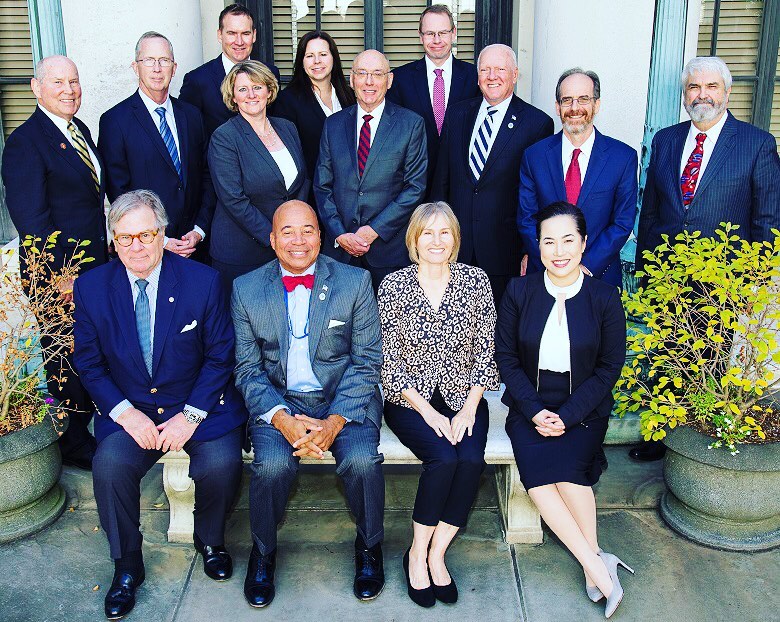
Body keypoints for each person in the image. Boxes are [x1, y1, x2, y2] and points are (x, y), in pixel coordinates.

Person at [72, 190, 247, 620]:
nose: (136, 245)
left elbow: (220, 354)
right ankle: (127, 564)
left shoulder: (203, 281)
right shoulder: (93, 287)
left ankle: (210, 541)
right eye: (125, 237)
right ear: (112, 239)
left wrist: (190, 416)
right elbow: (89, 363)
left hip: (197, 405)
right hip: (132, 409)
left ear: (162, 233)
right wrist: (124, 413)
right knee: (109, 466)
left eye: (146, 234)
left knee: (222, 465)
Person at [232, 200, 385, 608]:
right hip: (279, 401)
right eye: (287, 231)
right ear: (272, 239)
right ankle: (263, 552)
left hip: (343, 399)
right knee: (272, 465)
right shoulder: (246, 288)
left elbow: (368, 360)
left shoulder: (355, 282)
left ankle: (370, 546)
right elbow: (247, 370)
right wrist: (282, 419)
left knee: (362, 462)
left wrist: (333, 422)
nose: (298, 240)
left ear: (320, 236)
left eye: (307, 230)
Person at [633, 55, 780, 462]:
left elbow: (767, 219)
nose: (703, 95)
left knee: (708, 363)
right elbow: (652, 211)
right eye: (694, 88)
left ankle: (696, 442)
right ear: (685, 95)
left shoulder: (756, 144)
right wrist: (647, 270)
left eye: (711, 87)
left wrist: (756, 282)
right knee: (663, 355)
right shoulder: (665, 139)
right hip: (668, 276)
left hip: (724, 283)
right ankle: (658, 436)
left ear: (727, 92)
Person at [495, 202, 631, 619]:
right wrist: (535, 410)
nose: (558, 250)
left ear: (584, 243)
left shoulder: (605, 297)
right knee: (540, 480)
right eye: (548, 241)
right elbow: (506, 359)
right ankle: (599, 569)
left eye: (568, 240)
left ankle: (595, 568)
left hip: (584, 404)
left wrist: (568, 416)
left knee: (570, 477)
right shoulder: (520, 291)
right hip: (528, 401)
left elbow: (609, 367)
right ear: (537, 246)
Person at [377, 202, 499, 607]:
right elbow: (389, 362)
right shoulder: (393, 286)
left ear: (455, 239)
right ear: (413, 239)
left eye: (444, 232)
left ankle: (437, 552)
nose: (436, 240)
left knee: (469, 461)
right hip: (410, 401)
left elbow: (486, 352)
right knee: (444, 459)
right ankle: (415, 553)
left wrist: (466, 409)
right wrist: (429, 413)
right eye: (427, 232)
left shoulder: (475, 281)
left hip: (466, 396)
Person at [1, 55, 109, 470]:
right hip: (58, 274)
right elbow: (31, 219)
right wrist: (61, 277)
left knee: (91, 350)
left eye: (74, 82)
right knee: (65, 355)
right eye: (59, 83)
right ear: (35, 87)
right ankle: (74, 442)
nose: (69, 90)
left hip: (92, 265)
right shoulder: (27, 141)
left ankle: (97, 429)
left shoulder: (76, 129)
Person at [430, 44, 553, 306]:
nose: (491, 76)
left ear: (515, 75)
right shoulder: (458, 113)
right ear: (477, 76)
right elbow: (442, 180)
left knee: (500, 333)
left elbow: (538, 196)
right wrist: (434, 234)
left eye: (500, 69)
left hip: (503, 251)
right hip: (455, 247)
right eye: (485, 69)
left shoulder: (537, 123)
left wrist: (528, 249)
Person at [314, 49, 427, 291]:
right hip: (340, 253)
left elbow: (415, 187)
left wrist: (374, 230)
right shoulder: (333, 125)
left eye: (377, 74)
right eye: (362, 73)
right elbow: (322, 186)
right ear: (351, 79)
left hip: (390, 253)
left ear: (390, 80)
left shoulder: (411, 124)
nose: (369, 81)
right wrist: (339, 233)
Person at [98, 31, 214, 261]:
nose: (157, 68)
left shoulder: (191, 116)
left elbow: (207, 176)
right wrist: (160, 238)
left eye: (164, 61)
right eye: (149, 60)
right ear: (135, 66)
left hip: (194, 246)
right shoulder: (115, 121)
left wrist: (199, 230)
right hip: (147, 250)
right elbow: (119, 191)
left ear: (174, 67)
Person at [519, 68, 637, 286]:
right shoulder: (534, 156)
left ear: (596, 104)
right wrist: (554, 264)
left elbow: (622, 222)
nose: (575, 108)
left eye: (583, 99)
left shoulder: (623, 157)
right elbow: (527, 218)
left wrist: (586, 267)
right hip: (544, 277)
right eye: (567, 100)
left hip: (599, 277)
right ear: (557, 107)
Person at [208, 60, 309, 287]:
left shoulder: (287, 127)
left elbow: (302, 181)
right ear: (233, 96)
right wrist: (274, 237)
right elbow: (234, 199)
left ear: (269, 90)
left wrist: (292, 232)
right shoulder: (224, 137)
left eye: (257, 87)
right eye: (243, 89)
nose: (251, 95)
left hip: (287, 247)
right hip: (242, 252)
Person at [386, 5, 479, 193]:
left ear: (453, 33)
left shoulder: (475, 77)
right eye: (430, 33)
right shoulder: (399, 80)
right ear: (420, 37)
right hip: (412, 185)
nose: (437, 40)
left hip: (462, 186)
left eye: (443, 32)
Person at [272, 30, 356, 202]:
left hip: (350, 194)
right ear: (301, 61)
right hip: (311, 195)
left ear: (334, 58)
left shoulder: (349, 96)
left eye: (323, 54)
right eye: (310, 56)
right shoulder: (286, 101)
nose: (317, 61)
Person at [179, 3, 281, 139]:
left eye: (245, 33)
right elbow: (189, 134)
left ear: (254, 35)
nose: (239, 42)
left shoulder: (271, 73)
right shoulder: (197, 80)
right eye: (232, 33)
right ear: (220, 35)